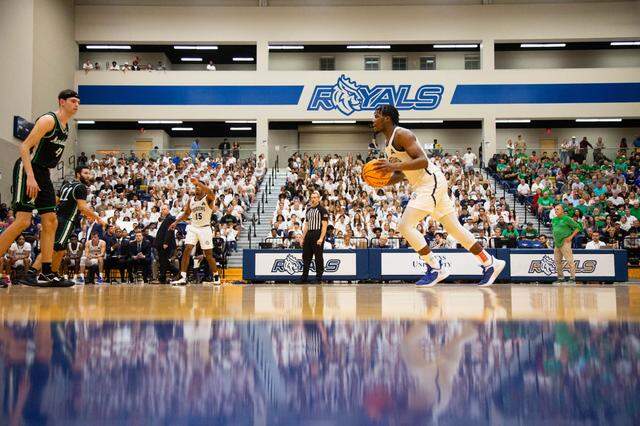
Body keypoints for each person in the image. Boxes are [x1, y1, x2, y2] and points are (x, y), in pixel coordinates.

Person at [371, 105, 505, 286]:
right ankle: (490, 262)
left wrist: (393, 166)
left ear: (387, 118)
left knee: (404, 226)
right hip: (425, 184)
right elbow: (404, 173)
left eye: (376, 116)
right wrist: (382, 182)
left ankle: (436, 267)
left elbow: (423, 161)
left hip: (430, 183)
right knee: (455, 229)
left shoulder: (402, 134)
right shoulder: (387, 145)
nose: (373, 120)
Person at [0, 89, 79, 287]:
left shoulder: (66, 126)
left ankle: (46, 273)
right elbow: (24, 147)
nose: (76, 105)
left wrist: (42, 178)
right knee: (22, 222)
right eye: (73, 101)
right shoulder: (48, 120)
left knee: (51, 221)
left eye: (78, 102)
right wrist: (31, 177)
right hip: (29, 170)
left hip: (43, 173)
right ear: (61, 102)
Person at [31, 165, 106, 284]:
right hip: (66, 220)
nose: (88, 176)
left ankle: (54, 275)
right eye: (85, 173)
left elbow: (55, 201)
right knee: (54, 248)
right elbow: (82, 208)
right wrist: (98, 218)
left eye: (89, 173)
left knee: (60, 249)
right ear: (77, 174)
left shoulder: (66, 185)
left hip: (57, 218)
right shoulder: (81, 187)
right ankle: (32, 272)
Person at [170, 179, 221, 285]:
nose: (197, 188)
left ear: (203, 187)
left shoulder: (208, 198)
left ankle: (216, 276)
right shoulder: (191, 200)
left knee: (208, 255)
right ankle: (183, 277)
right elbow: (186, 214)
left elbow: (211, 192)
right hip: (193, 227)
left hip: (205, 228)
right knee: (187, 249)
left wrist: (199, 183)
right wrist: (176, 222)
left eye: (199, 187)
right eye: (195, 187)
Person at [300, 191, 328, 283]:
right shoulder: (308, 210)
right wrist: (302, 238)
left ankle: (318, 278)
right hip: (309, 235)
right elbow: (306, 225)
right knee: (306, 257)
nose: (313, 199)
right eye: (312, 197)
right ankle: (304, 278)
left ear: (319, 198)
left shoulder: (322, 210)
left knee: (318, 257)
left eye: (315, 197)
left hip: (318, 234)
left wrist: (321, 238)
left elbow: (324, 225)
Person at [551, 204, 581, 285]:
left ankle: (572, 278)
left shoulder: (567, 219)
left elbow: (578, 227)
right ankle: (561, 278)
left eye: (557, 209)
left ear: (562, 210)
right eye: (555, 209)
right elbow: (553, 230)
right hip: (557, 243)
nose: (556, 211)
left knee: (569, 260)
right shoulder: (554, 220)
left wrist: (571, 237)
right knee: (557, 261)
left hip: (565, 242)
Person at [155, 205, 177, 283]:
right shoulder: (166, 218)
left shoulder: (170, 218)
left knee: (164, 261)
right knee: (163, 261)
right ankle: (163, 278)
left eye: (164, 209)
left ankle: (177, 272)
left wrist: (166, 242)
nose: (163, 211)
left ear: (168, 210)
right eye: (162, 209)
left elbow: (170, 231)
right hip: (162, 244)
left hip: (166, 244)